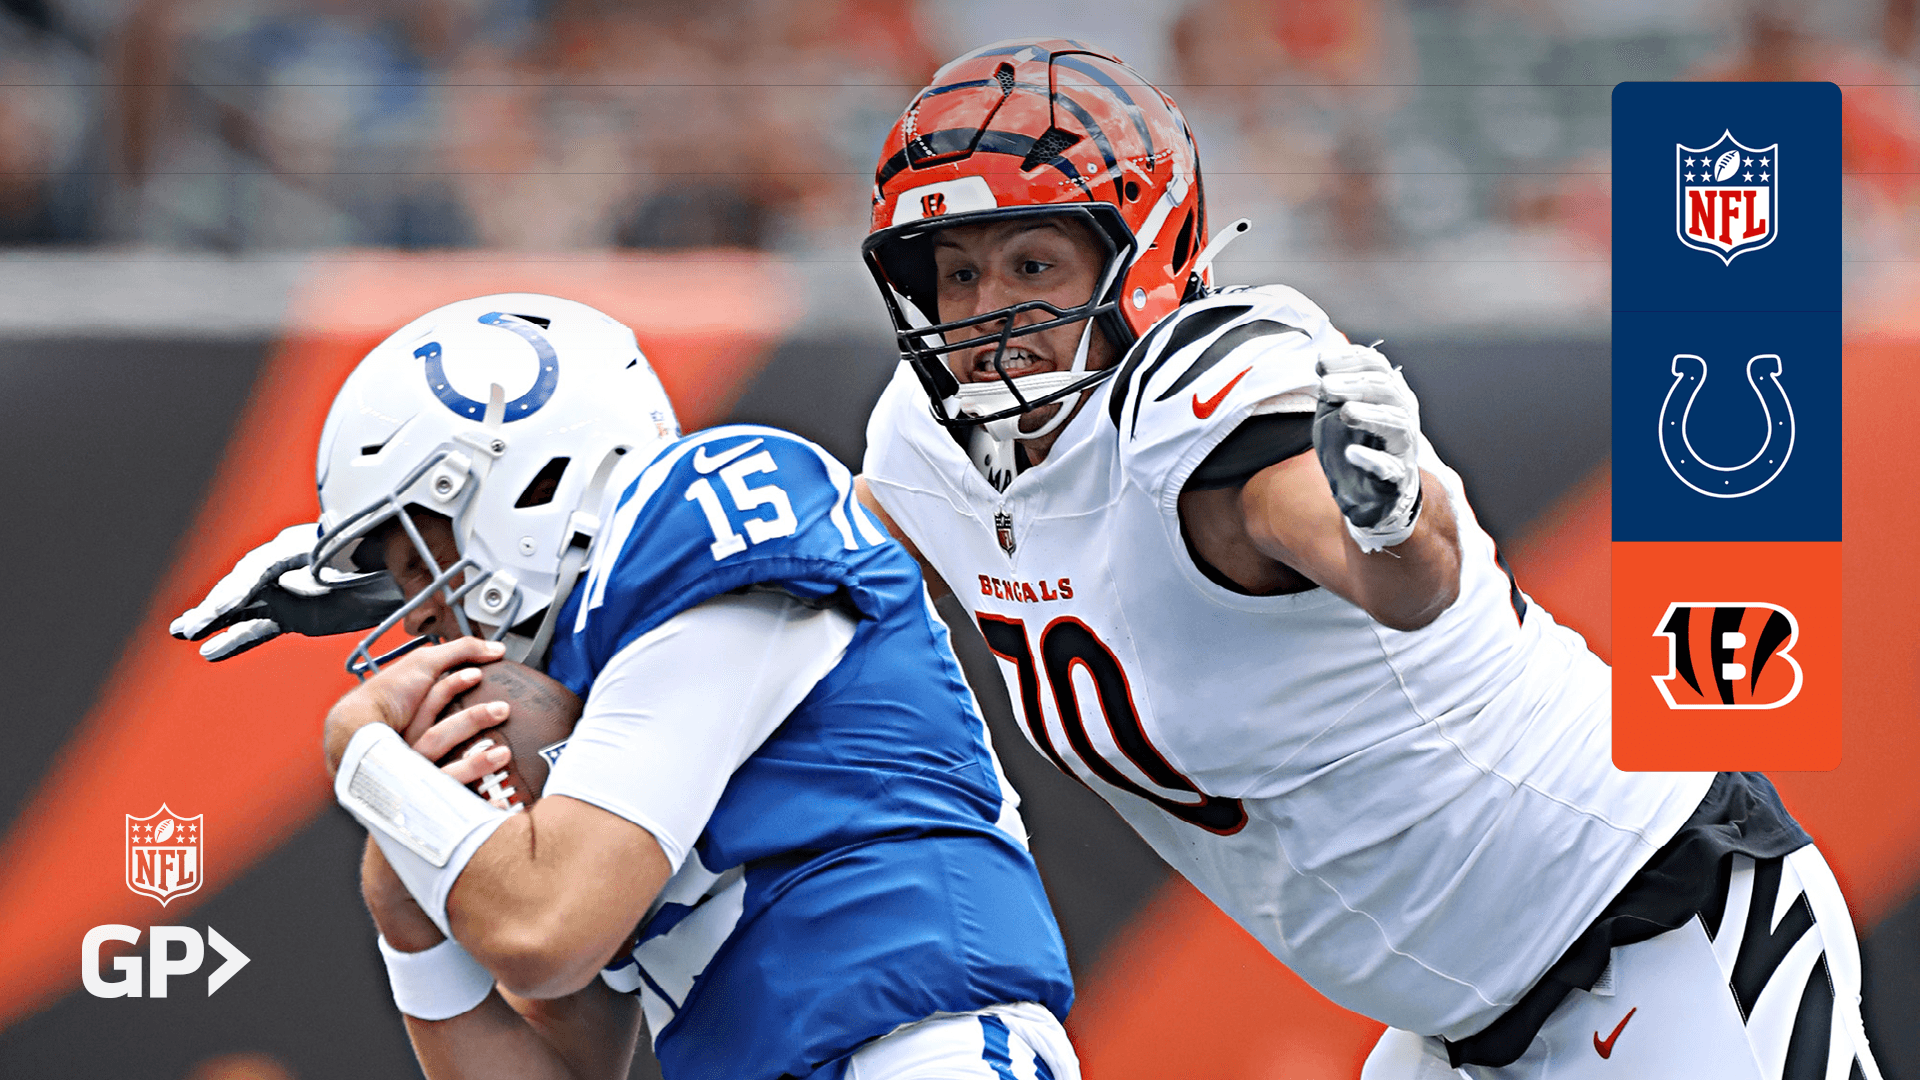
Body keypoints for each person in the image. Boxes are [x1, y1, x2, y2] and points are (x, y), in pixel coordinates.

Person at [852, 38, 1881, 1080]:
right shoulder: (924, 446)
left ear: (1140, 259)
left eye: (1033, 265)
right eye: (958, 272)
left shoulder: (1198, 417)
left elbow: (1404, 579)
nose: (989, 313)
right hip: (1455, 1025)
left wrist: (1390, 517)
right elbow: (838, 590)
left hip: (1648, 924)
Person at [175, 293, 1078, 1080]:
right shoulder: (596, 690)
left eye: (417, 562)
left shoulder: (706, 522)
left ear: (516, 489)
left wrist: (361, 752)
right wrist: (410, 927)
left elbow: (544, 932)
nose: (415, 615)